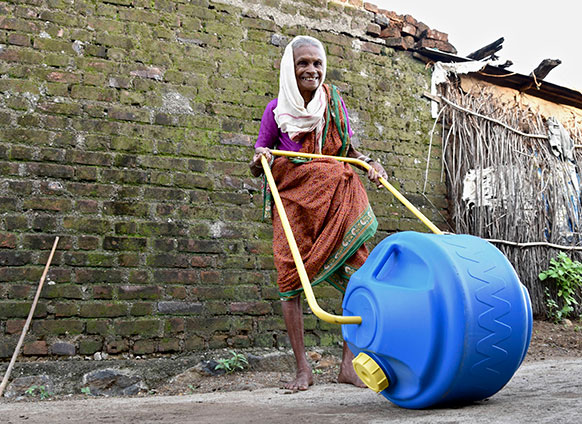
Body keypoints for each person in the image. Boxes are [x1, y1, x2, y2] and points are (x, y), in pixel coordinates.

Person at [249, 35, 388, 391]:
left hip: (335, 204)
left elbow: (348, 150)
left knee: (357, 273)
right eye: (303, 64)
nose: (311, 70)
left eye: (316, 63)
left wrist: (371, 164)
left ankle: (347, 365)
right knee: (289, 281)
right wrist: (261, 158)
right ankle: (302, 369)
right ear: (289, 69)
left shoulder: (333, 104)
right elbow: (259, 159)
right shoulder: (275, 110)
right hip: (293, 204)